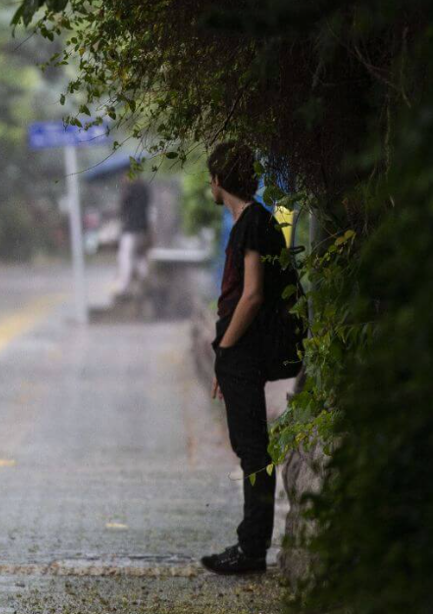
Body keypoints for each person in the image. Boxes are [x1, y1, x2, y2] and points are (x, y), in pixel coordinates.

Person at [201, 142, 294, 575]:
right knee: (249, 448)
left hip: (243, 348)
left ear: (219, 180)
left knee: (254, 450)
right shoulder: (248, 222)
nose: (210, 185)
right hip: (238, 351)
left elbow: (253, 294)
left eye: (211, 178)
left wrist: (225, 348)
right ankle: (251, 544)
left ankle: (252, 549)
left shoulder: (253, 222)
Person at [115, 175, 152, 297]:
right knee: (139, 255)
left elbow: (122, 207)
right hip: (142, 228)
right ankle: (145, 278)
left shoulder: (129, 188)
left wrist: (124, 188)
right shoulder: (144, 188)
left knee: (125, 256)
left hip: (131, 228)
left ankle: (124, 286)